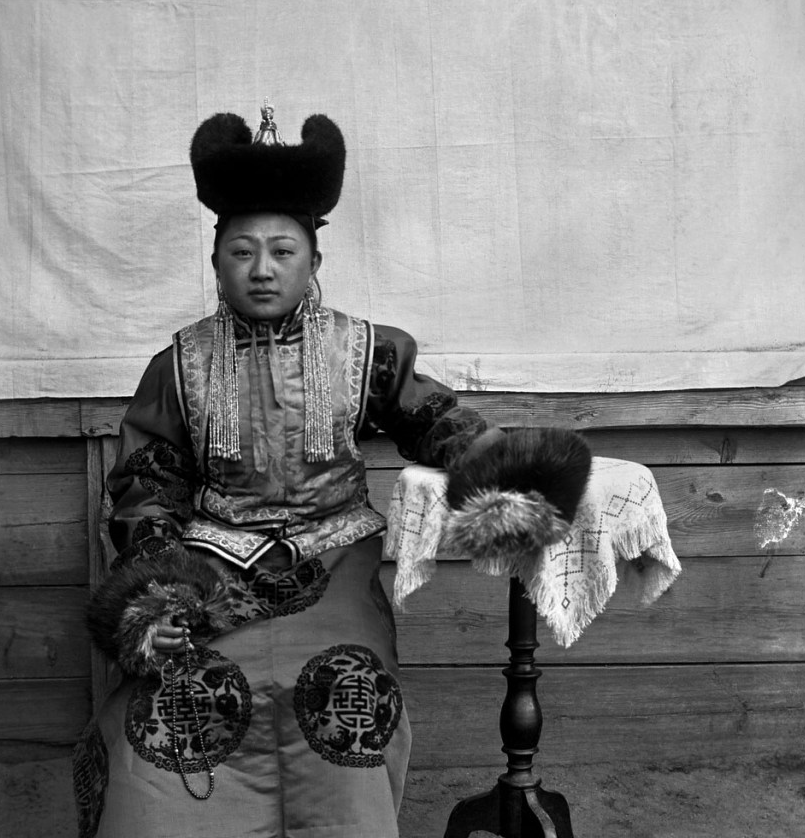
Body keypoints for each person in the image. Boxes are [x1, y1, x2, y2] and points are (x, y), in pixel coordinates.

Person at [72, 103, 494, 838]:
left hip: (333, 560)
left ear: (314, 262)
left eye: (282, 250)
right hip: (210, 570)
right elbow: (146, 487)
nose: (262, 269)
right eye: (241, 251)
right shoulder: (178, 365)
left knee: (343, 696)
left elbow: (436, 423)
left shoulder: (367, 350)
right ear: (216, 263)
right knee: (168, 711)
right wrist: (159, 600)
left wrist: (506, 472)